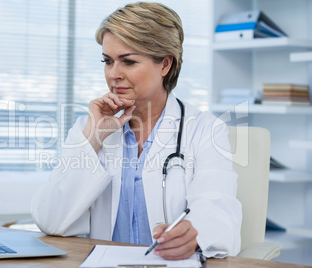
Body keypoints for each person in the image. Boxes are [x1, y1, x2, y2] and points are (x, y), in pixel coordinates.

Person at [31, 2, 242, 260]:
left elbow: (217, 211)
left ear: (165, 65)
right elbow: (51, 221)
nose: (113, 74)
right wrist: (93, 140)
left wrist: (194, 234)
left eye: (128, 62)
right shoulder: (89, 128)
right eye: (107, 61)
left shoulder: (205, 130)